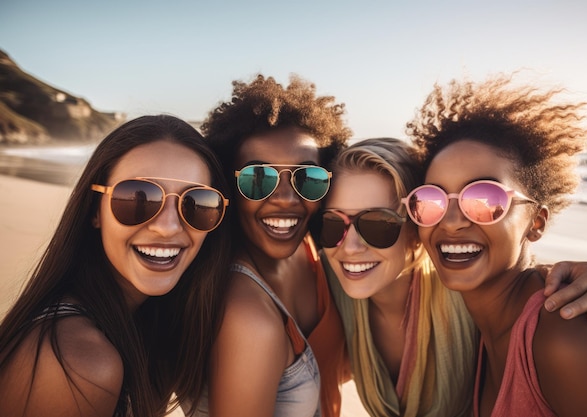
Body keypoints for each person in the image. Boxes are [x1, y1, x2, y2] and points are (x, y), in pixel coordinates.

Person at [319, 137, 587, 417]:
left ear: (416, 229)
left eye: (377, 224)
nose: (350, 246)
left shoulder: (476, 300)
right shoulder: (333, 285)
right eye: (333, 225)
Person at [405, 75, 587, 416]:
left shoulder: (567, 332)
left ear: (536, 223)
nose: (450, 221)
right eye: (432, 199)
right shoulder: (475, 327)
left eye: (484, 199)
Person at [0, 115, 233, 417]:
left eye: (197, 204)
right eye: (138, 198)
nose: (167, 227)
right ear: (95, 211)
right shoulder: (79, 362)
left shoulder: (145, 328)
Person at [198, 74, 351, 417]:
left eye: (306, 178)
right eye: (259, 178)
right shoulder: (246, 317)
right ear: (228, 184)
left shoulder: (312, 251)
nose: (285, 199)